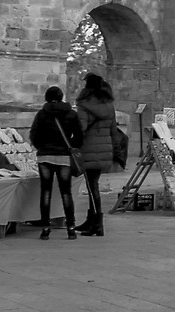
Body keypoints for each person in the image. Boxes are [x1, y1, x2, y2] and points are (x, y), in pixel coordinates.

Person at [29, 85, 84, 240]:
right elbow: (79, 136)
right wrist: (70, 146)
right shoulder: (71, 114)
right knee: (66, 192)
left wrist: (42, 147)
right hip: (64, 157)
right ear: (62, 97)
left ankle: (45, 228)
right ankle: (71, 228)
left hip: (45, 156)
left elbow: (34, 134)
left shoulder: (41, 114)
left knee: (46, 192)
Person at [74, 74, 125, 236]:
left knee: (91, 187)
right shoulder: (108, 105)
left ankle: (97, 223)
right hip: (105, 150)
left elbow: (80, 129)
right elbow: (113, 131)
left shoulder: (84, 105)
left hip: (89, 150)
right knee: (93, 184)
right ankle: (92, 220)